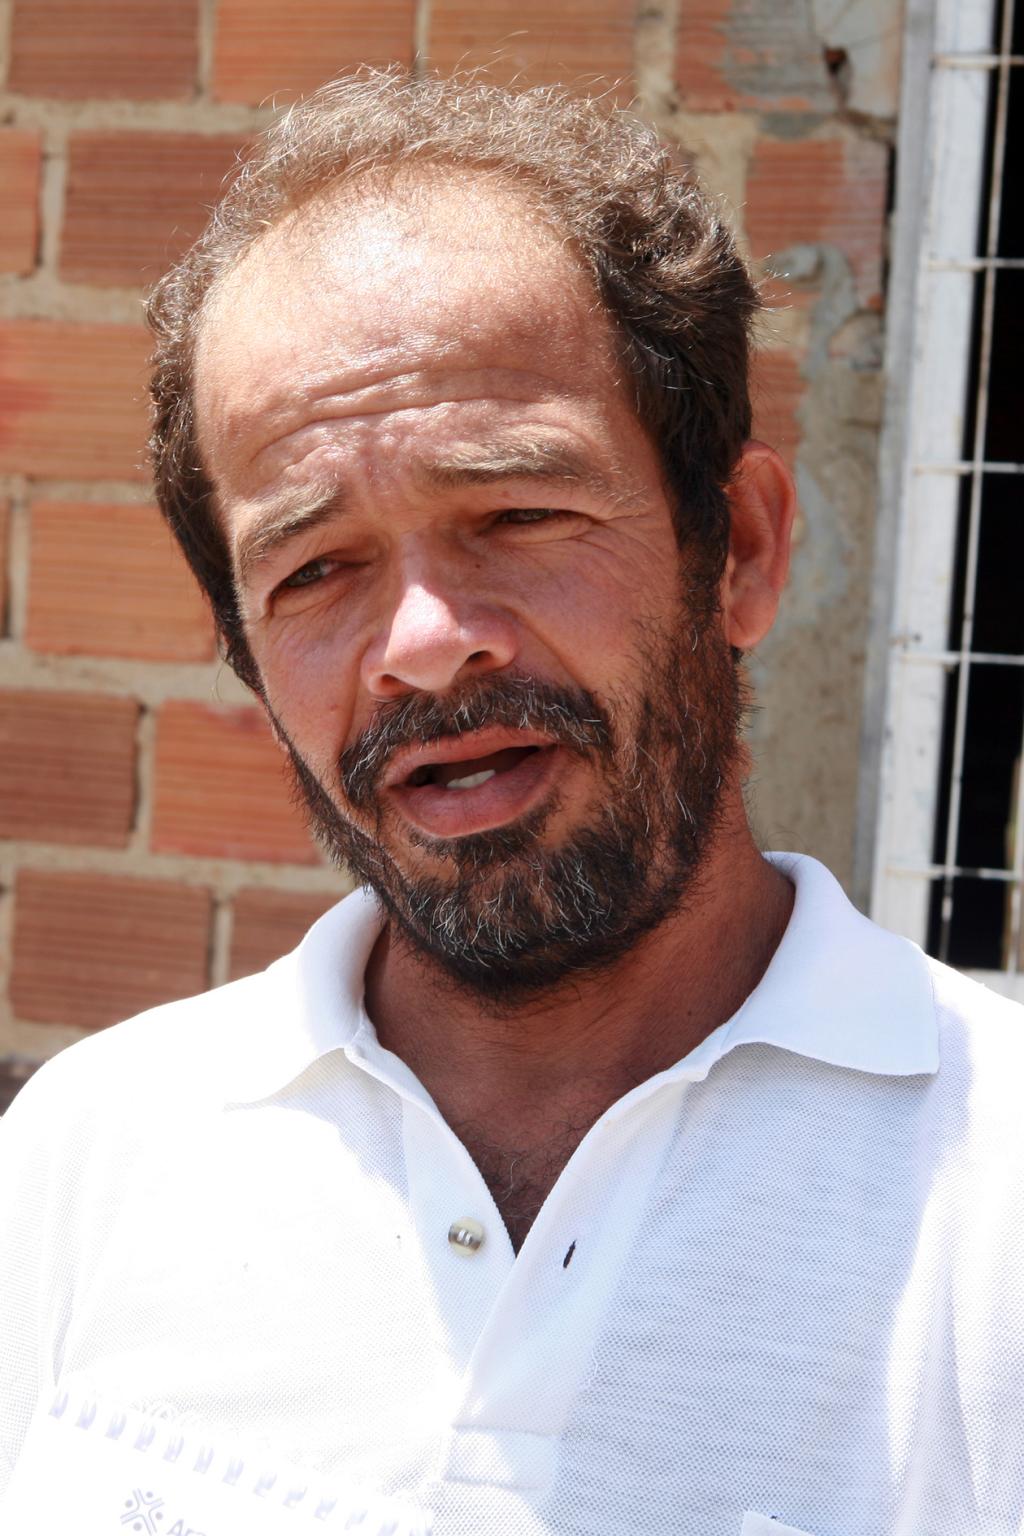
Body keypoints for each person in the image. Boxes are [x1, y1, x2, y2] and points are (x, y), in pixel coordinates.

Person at [2, 68, 1024, 1536]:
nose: (425, 644)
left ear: (738, 549)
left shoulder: (992, 1207)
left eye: (520, 513)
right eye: (314, 569)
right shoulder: (90, 1155)